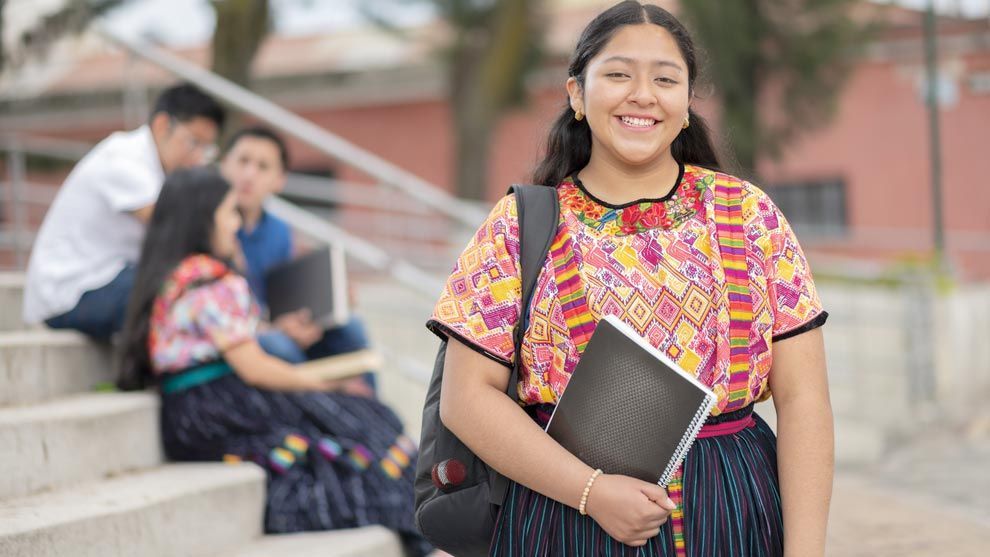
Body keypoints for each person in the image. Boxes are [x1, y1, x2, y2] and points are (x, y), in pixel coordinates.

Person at [427, 2, 833, 556]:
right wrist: (592, 493)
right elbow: (466, 399)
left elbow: (804, 396)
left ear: (687, 103)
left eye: (666, 79)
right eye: (618, 74)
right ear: (577, 93)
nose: (643, 95)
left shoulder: (749, 215)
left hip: (735, 508)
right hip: (562, 515)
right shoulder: (519, 227)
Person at [116, 167, 430, 556]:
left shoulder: (171, 279)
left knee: (352, 420)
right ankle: (420, 526)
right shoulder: (213, 282)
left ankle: (417, 526)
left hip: (189, 412)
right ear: (203, 219)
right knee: (366, 418)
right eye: (230, 213)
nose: (235, 225)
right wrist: (326, 385)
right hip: (224, 404)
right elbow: (254, 368)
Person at [22, 83, 225, 340]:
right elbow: (178, 229)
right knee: (178, 294)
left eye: (206, 149)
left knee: (189, 289)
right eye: (194, 142)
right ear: (163, 125)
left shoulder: (160, 170)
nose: (197, 158)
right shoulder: (124, 159)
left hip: (111, 278)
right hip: (70, 292)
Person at [219, 125, 376, 394]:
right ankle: (323, 407)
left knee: (351, 327)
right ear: (224, 165)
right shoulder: (214, 226)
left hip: (280, 324)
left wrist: (327, 303)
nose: (249, 174)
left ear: (279, 180)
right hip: (241, 334)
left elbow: (282, 295)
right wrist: (274, 328)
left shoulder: (279, 231)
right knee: (279, 345)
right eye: (243, 161)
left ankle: (373, 412)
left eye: (263, 167)